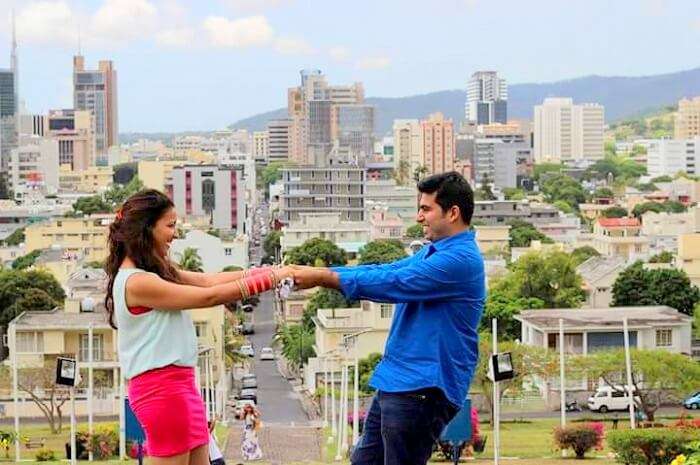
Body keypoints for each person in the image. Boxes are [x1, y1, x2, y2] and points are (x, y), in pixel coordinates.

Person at [291, 172, 485, 465]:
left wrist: (323, 277)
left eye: (426, 209)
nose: (419, 217)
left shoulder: (460, 261)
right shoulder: (433, 252)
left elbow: (395, 281)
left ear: (453, 213)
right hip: (398, 382)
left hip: (422, 387)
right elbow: (383, 270)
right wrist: (319, 274)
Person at [105, 189, 292, 465]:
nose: (175, 234)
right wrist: (271, 280)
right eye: (170, 226)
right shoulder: (136, 282)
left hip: (181, 388)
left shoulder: (154, 273)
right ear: (145, 229)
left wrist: (271, 272)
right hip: (162, 391)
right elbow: (209, 297)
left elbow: (209, 281)